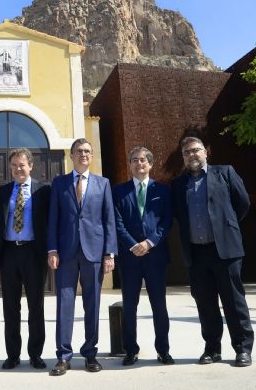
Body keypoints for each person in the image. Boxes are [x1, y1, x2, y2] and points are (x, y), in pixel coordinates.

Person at [171, 136, 254, 367]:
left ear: (205, 152)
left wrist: (226, 226)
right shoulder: (178, 184)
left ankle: (242, 348)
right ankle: (212, 348)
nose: (192, 155)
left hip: (224, 250)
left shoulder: (225, 172)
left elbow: (243, 203)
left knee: (234, 302)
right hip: (196, 253)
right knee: (205, 304)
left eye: (195, 150)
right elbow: (178, 214)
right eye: (186, 152)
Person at [47, 138, 117, 376]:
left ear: (92, 155)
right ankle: (63, 356)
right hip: (65, 252)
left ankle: (90, 354)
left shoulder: (103, 183)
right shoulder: (59, 183)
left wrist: (109, 253)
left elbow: (109, 220)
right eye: (79, 151)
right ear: (71, 155)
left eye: (87, 151)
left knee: (93, 304)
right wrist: (52, 249)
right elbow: (53, 218)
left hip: (94, 252)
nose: (83, 154)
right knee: (64, 305)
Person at [112, 146, 174, 366]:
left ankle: (163, 350)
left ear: (150, 164)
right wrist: (133, 245)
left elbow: (166, 221)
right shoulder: (118, 191)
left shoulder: (162, 190)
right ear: (130, 165)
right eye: (135, 160)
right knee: (130, 306)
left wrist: (149, 243)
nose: (139, 164)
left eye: (143, 160)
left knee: (159, 305)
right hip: (129, 258)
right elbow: (117, 222)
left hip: (155, 256)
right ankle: (130, 350)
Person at [0, 149, 51, 370]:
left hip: (33, 253)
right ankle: (13, 355)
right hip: (9, 253)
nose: (18, 169)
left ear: (31, 166)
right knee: (10, 307)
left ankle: (35, 354)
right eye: (14, 165)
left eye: (22, 165)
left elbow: (49, 222)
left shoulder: (43, 190)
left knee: (35, 306)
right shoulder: (3, 191)